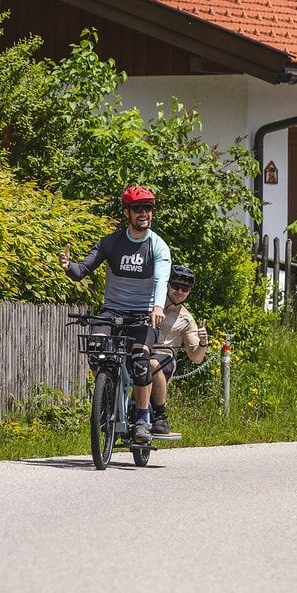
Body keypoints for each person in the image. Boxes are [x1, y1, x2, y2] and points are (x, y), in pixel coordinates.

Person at [60, 185, 170, 443]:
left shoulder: (158, 247)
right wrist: (68, 267)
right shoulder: (111, 242)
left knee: (141, 364)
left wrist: (158, 307)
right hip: (112, 310)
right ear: (126, 212)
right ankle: (106, 398)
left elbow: (161, 280)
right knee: (96, 349)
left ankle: (143, 419)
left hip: (143, 314)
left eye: (148, 208)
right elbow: (82, 270)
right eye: (137, 208)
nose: (144, 213)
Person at [149, 265, 209, 434]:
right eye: (176, 286)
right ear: (167, 284)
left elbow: (196, 358)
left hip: (163, 356)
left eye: (185, 288)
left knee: (153, 363)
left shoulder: (187, 319)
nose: (179, 291)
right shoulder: (151, 303)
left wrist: (203, 343)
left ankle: (160, 415)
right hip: (141, 350)